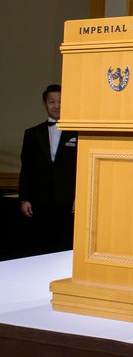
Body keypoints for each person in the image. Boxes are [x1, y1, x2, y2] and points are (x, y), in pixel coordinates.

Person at [19, 84, 77, 254]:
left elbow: (83, 169)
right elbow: (27, 168)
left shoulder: (78, 133)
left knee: (66, 245)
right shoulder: (31, 133)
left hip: (68, 201)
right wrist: (24, 199)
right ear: (44, 104)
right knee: (39, 245)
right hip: (39, 200)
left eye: (60, 101)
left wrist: (79, 197)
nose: (56, 105)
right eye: (52, 101)